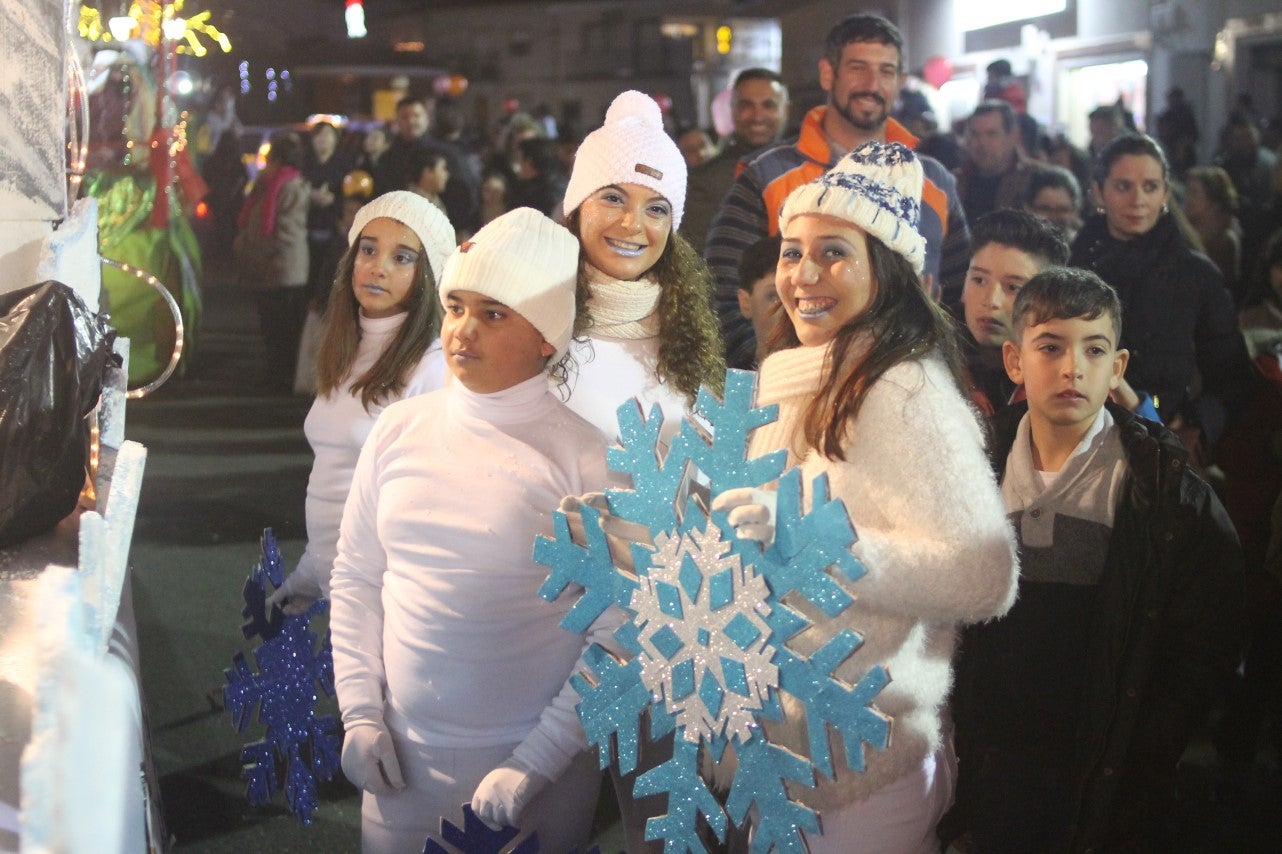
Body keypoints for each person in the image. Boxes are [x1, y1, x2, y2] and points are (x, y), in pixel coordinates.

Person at [723, 140, 1017, 852]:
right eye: (792, 252)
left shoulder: (903, 390)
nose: (804, 275)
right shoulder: (795, 377)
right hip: (779, 758)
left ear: (884, 271)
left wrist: (818, 545)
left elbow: (985, 575)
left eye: (834, 253)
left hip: (862, 771)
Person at [329, 208, 616, 852]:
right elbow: (358, 576)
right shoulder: (400, 427)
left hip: (533, 767)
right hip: (400, 761)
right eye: (455, 306)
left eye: (493, 313)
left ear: (547, 335)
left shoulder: (586, 458)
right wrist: (360, 713)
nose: (462, 330)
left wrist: (535, 762)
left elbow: (619, 629)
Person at [948, 268, 1243, 852]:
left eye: (1094, 349)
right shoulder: (971, 467)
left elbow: (1210, 628)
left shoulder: (1162, 488)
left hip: (1107, 760)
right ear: (1014, 361)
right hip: (993, 755)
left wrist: (1153, 739)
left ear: (1119, 368)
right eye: (1050, 346)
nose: (1072, 368)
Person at [706, 12, 970, 369]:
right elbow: (722, 295)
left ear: (900, 81)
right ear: (828, 73)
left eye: (886, 71)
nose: (872, 84)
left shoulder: (934, 181)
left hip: (912, 388)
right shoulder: (767, 173)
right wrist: (776, 376)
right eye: (858, 68)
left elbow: (959, 297)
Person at [269, 191, 457, 610]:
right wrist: (310, 573)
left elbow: (432, 508)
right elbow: (337, 477)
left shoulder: (433, 366)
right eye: (368, 250)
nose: (377, 267)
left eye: (402, 257)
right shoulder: (344, 347)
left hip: (387, 597)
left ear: (428, 273)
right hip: (336, 583)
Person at [559, 89, 725, 445]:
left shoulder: (688, 334)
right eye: (613, 198)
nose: (631, 224)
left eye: (656, 209)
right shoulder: (530, 322)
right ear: (576, 208)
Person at [1069, 132, 1253, 450]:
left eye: (1150, 187)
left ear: (1166, 193)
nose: (1138, 200)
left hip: (1163, 443)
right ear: (1099, 192)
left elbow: (1232, 376)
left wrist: (1198, 426)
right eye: (1123, 186)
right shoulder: (1073, 269)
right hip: (1080, 440)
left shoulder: (1195, 276)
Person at [959, 209, 1070, 417]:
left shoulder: (1070, 381)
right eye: (979, 280)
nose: (991, 301)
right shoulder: (931, 366)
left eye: (1013, 288)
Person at [680, 68, 790, 254]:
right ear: (733, 110)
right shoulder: (705, 182)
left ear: (785, 110)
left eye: (769, 105)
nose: (757, 116)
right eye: (746, 105)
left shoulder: (809, 170)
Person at [233, 131, 310, 387]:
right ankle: (277, 370)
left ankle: (282, 374)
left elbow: (284, 231)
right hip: (271, 265)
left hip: (282, 265)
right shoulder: (270, 184)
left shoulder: (287, 186)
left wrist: (261, 252)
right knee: (273, 323)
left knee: (282, 326)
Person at [955, 99, 1035, 223]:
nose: (982, 143)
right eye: (975, 134)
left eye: (991, 134)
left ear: (1013, 136)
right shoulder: (956, 180)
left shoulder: (1034, 178)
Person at [1183, 165, 1244, 299]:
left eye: (1194, 193)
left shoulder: (1225, 240)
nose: (1187, 199)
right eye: (1187, 192)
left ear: (1214, 201)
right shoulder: (1182, 231)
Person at [735, 235, 782, 367]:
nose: (789, 308)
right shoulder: (724, 384)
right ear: (745, 303)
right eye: (774, 296)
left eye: (799, 297)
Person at [1021, 164, 1083, 242]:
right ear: (1028, 208)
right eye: (1045, 209)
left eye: (1062, 210)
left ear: (1075, 210)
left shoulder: (1083, 246)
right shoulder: (1015, 248)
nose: (1054, 217)